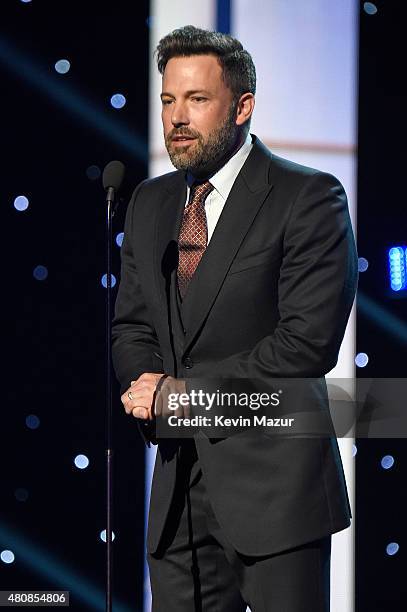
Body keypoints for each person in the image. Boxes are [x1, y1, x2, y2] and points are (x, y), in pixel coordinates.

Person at [112, 25, 358, 612]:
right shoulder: (149, 201)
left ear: (243, 107)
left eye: (197, 100)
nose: (177, 117)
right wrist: (147, 390)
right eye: (169, 99)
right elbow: (133, 326)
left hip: (276, 493)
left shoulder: (308, 197)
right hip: (177, 496)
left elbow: (305, 344)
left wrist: (181, 397)